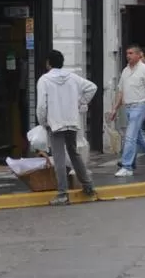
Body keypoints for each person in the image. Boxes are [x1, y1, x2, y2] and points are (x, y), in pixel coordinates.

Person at [36, 49, 97, 206]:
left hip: (55, 123)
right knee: (74, 153)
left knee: (59, 158)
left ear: (48, 63)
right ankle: (88, 185)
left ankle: (62, 193)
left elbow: (42, 106)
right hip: (71, 121)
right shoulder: (73, 77)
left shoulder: (44, 80)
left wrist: (43, 122)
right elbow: (92, 87)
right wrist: (81, 103)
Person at [108, 45, 145, 176]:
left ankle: (127, 166)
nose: (128, 55)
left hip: (140, 105)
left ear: (139, 55)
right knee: (138, 137)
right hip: (128, 106)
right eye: (127, 53)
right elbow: (121, 91)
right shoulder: (125, 71)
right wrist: (115, 108)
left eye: (131, 53)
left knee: (130, 136)